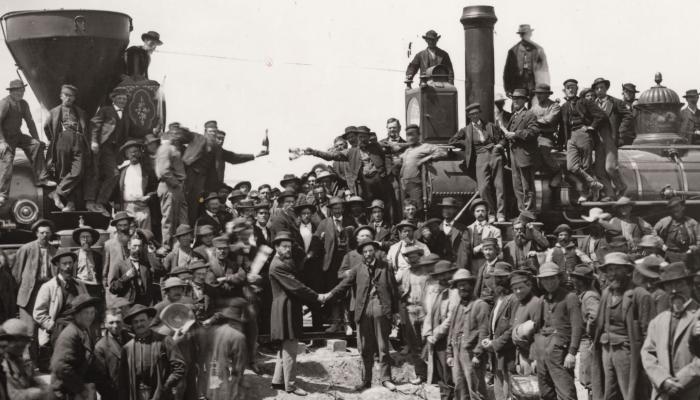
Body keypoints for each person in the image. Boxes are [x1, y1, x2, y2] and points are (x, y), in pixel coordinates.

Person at [328, 240, 400, 392]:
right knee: (365, 347)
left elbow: (393, 289)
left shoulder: (385, 266)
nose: (368, 254)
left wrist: (395, 312)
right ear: (362, 254)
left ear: (375, 252)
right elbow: (344, 285)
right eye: (365, 252)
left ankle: (386, 378)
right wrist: (329, 295)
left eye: (370, 251)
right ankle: (366, 380)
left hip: (381, 309)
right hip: (363, 310)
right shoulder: (357, 269)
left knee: (383, 346)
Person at [591, 252, 653, 400]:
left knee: (630, 392)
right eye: (610, 270)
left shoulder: (640, 294)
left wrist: (646, 358)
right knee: (609, 392)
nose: (613, 274)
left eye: (617, 269)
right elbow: (599, 323)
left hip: (628, 350)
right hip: (606, 348)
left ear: (627, 271)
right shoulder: (606, 293)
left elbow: (648, 332)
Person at [268, 232, 324, 396]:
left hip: (287, 307)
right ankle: (290, 385)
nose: (288, 249)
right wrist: (317, 297)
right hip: (285, 309)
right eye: (284, 246)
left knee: (285, 347)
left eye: (289, 246)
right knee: (290, 347)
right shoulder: (277, 265)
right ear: (276, 247)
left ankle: (278, 380)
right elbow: (297, 287)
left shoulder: (283, 261)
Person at [643, 262, 700, 400]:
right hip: (662, 393)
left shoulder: (697, 315)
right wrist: (663, 381)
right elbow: (647, 354)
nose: (674, 291)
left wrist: (679, 382)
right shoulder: (658, 321)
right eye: (669, 286)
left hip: (692, 392)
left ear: (690, 285)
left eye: (679, 284)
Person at [304, 126, 394, 213]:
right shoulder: (351, 152)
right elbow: (331, 156)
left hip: (381, 181)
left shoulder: (376, 146)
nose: (362, 139)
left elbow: (392, 151)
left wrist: (387, 173)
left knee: (387, 205)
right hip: (366, 184)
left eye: (364, 137)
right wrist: (314, 152)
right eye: (360, 137)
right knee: (368, 207)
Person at [0, 79, 54, 207]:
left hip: (17, 135)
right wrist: (1, 141)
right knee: (7, 161)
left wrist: (37, 139)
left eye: (22, 91)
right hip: (5, 138)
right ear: (12, 91)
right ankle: (2, 194)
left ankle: (41, 179)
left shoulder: (23, 104)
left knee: (35, 145)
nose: (21, 93)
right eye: (18, 91)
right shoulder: (5, 103)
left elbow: (30, 123)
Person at [533, 262, 582, 400]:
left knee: (566, 392)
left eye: (552, 278)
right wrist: (536, 355)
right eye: (544, 279)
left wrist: (572, 353)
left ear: (559, 278)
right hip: (542, 352)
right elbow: (537, 329)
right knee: (545, 393)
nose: (548, 282)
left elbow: (577, 326)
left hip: (560, 352)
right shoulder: (542, 300)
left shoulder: (570, 298)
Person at [449, 103, 506, 221]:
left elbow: (503, 138)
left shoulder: (490, 126)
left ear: (479, 113)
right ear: (469, 116)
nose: (475, 116)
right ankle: (490, 213)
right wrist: (467, 144)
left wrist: (499, 145)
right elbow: (452, 141)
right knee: (483, 187)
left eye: (476, 113)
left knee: (499, 186)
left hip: (495, 154)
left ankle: (501, 214)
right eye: (472, 114)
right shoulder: (466, 130)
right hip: (480, 156)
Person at [12, 219, 57, 366]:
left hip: (46, 292)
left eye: (47, 232)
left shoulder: (54, 250)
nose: (44, 235)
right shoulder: (26, 249)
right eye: (41, 232)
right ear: (36, 233)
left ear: (50, 234)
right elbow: (16, 273)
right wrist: (17, 294)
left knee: (47, 329)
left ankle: (44, 363)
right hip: (29, 294)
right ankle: (29, 365)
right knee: (29, 332)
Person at [119, 304, 185, 400]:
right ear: (132, 325)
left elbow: (179, 367)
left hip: (161, 394)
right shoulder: (127, 348)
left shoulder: (165, 341)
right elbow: (123, 379)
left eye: (142, 320)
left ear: (149, 320)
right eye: (135, 322)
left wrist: (165, 386)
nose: (139, 324)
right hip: (137, 394)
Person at [33, 248, 90, 353]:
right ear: (58, 265)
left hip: (79, 330)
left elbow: (87, 307)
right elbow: (38, 313)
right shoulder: (49, 287)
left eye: (70, 263)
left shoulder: (80, 285)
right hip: (58, 331)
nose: (68, 267)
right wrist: (53, 327)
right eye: (64, 264)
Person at [312, 196, 355, 333]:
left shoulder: (350, 221)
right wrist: (321, 240)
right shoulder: (324, 223)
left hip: (347, 262)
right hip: (331, 264)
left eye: (340, 208)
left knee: (347, 292)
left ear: (343, 209)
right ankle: (336, 323)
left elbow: (355, 241)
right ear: (330, 210)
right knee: (334, 293)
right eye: (334, 208)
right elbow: (315, 243)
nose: (337, 211)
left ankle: (348, 323)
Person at [85, 88, 131, 214]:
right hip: (101, 146)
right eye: (120, 98)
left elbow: (131, 131)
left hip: (114, 151)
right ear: (114, 99)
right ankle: (90, 202)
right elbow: (95, 125)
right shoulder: (106, 110)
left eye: (124, 99)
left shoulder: (126, 115)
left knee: (112, 175)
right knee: (95, 172)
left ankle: (99, 202)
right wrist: (94, 141)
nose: (122, 101)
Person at [560, 80, 607, 202]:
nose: (570, 89)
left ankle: (586, 194)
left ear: (576, 89)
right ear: (565, 90)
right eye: (568, 87)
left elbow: (601, 115)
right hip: (570, 136)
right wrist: (561, 143)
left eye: (573, 87)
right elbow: (562, 126)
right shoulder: (564, 106)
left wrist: (591, 126)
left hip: (584, 134)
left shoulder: (584, 102)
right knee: (571, 167)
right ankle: (593, 183)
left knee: (586, 166)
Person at [446, 268, 489, 400]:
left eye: (465, 284)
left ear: (471, 285)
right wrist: (449, 353)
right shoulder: (457, 307)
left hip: (471, 353)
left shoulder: (480, 305)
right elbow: (451, 331)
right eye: (459, 285)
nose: (462, 288)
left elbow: (484, 332)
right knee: (459, 385)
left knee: (475, 387)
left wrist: (478, 354)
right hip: (457, 350)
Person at [44, 84, 89, 211]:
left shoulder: (81, 112)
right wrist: (55, 140)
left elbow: (86, 130)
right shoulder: (54, 112)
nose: (69, 98)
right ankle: (70, 203)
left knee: (78, 171)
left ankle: (56, 193)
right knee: (64, 172)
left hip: (78, 141)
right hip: (62, 140)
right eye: (66, 96)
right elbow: (47, 128)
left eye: (72, 96)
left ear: (74, 98)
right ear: (61, 96)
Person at [50, 294, 101, 400]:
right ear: (76, 315)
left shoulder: (84, 331)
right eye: (86, 313)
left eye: (92, 313)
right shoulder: (70, 334)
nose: (90, 316)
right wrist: (81, 389)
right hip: (64, 392)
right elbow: (60, 366)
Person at [422, 261, 459, 400]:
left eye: (445, 275)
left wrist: (436, 334)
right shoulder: (436, 292)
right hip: (435, 339)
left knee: (449, 374)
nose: (442, 278)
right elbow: (430, 314)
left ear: (451, 274)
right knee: (440, 374)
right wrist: (427, 334)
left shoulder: (454, 293)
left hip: (448, 339)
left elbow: (451, 319)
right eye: (439, 276)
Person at [396, 254, 436, 385]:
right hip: (410, 309)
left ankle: (434, 375)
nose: (412, 260)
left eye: (415, 257)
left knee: (428, 341)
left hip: (424, 310)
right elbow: (395, 285)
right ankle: (421, 374)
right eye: (409, 258)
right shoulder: (406, 272)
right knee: (414, 344)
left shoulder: (426, 273)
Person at [500, 88, 540, 213]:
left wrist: (515, 134)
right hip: (514, 156)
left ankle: (529, 212)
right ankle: (523, 212)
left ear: (524, 101)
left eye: (518, 99)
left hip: (524, 155)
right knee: (517, 186)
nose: (515, 101)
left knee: (527, 186)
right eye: (514, 99)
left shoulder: (529, 115)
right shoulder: (514, 116)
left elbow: (534, 132)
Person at [591, 77, 632, 200]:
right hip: (598, 140)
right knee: (599, 171)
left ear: (606, 88)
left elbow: (628, 116)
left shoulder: (616, 102)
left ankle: (622, 187)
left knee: (610, 168)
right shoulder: (591, 104)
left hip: (610, 138)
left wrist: (620, 132)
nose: (599, 90)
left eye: (602, 87)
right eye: (597, 88)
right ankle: (610, 194)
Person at [482, 261, 518, 400]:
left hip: (509, 352)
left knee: (509, 390)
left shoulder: (514, 299)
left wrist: (495, 343)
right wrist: (489, 340)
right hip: (497, 353)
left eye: (502, 277)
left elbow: (512, 328)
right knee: (499, 392)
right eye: (496, 277)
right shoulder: (498, 298)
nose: (498, 281)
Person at [394, 124, 447, 216]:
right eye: (407, 135)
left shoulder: (425, 147)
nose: (409, 137)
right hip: (403, 184)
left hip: (415, 183)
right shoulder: (407, 150)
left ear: (418, 135)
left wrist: (427, 158)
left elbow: (443, 152)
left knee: (417, 208)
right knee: (405, 210)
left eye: (412, 134)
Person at [569, 264, 600, 399]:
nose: (572, 280)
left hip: (587, 342)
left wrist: (587, 330)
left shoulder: (589, 296)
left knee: (590, 380)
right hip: (584, 342)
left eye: (575, 278)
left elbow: (595, 317)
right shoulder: (583, 295)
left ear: (581, 281)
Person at [155, 127, 189, 249]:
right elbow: (164, 171)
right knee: (169, 219)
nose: (179, 137)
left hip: (176, 186)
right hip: (170, 186)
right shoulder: (165, 148)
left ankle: (180, 247)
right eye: (176, 134)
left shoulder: (173, 148)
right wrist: (176, 183)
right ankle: (167, 247)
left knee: (181, 218)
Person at [1, 318, 51, 399]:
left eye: (25, 340)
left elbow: (33, 380)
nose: (22, 344)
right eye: (17, 340)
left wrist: (43, 387)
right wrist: (38, 392)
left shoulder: (21, 362)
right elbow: (12, 395)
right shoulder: (3, 365)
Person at [109, 235, 157, 306]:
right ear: (129, 245)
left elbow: (159, 271)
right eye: (134, 246)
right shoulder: (120, 265)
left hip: (144, 304)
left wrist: (152, 253)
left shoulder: (146, 265)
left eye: (139, 246)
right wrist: (126, 277)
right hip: (128, 304)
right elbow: (113, 289)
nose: (137, 249)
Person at [94, 308, 130, 400]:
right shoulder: (100, 347)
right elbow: (100, 379)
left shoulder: (131, 339)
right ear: (105, 324)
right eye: (111, 322)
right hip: (113, 395)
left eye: (118, 322)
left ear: (122, 322)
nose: (115, 326)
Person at [503, 24, 549, 96]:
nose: (524, 36)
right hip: (518, 84)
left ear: (530, 34)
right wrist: (507, 89)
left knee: (535, 105)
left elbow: (544, 71)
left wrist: (545, 89)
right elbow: (507, 72)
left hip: (534, 84)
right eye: (522, 34)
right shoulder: (513, 51)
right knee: (517, 104)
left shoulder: (538, 49)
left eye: (526, 34)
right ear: (520, 35)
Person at [510, 270, 540, 378]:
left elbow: (538, 334)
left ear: (529, 286)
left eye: (520, 288)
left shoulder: (535, 303)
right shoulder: (519, 303)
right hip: (521, 355)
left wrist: (535, 358)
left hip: (531, 357)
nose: (517, 291)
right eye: (514, 289)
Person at [654, 197, 700, 264]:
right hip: (669, 255)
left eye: (677, 206)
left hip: (687, 254)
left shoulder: (691, 222)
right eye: (672, 207)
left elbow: (699, 236)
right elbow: (652, 232)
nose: (675, 209)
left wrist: (695, 248)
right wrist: (660, 243)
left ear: (682, 207)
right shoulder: (665, 221)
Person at [530, 84, 562, 180]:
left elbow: (548, 121)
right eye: (537, 94)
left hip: (547, 136)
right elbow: (527, 120)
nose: (538, 96)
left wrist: (533, 122)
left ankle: (558, 171)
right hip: (534, 136)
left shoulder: (554, 106)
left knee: (545, 153)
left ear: (548, 94)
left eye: (541, 93)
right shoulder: (534, 107)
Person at [467, 199, 502, 274]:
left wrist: (481, 247)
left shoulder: (494, 230)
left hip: (488, 263)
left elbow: (499, 248)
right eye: (478, 211)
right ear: (474, 213)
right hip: (472, 263)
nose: (480, 213)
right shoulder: (468, 229)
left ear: (487, 213)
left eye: (483, 211)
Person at [473, 238, 502, 303]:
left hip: (495, 302)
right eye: (485, 250)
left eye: (490, 249)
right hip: (481, 301)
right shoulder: (482, 268)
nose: (487, 252)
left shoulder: (501, 266)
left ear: (496, 251)